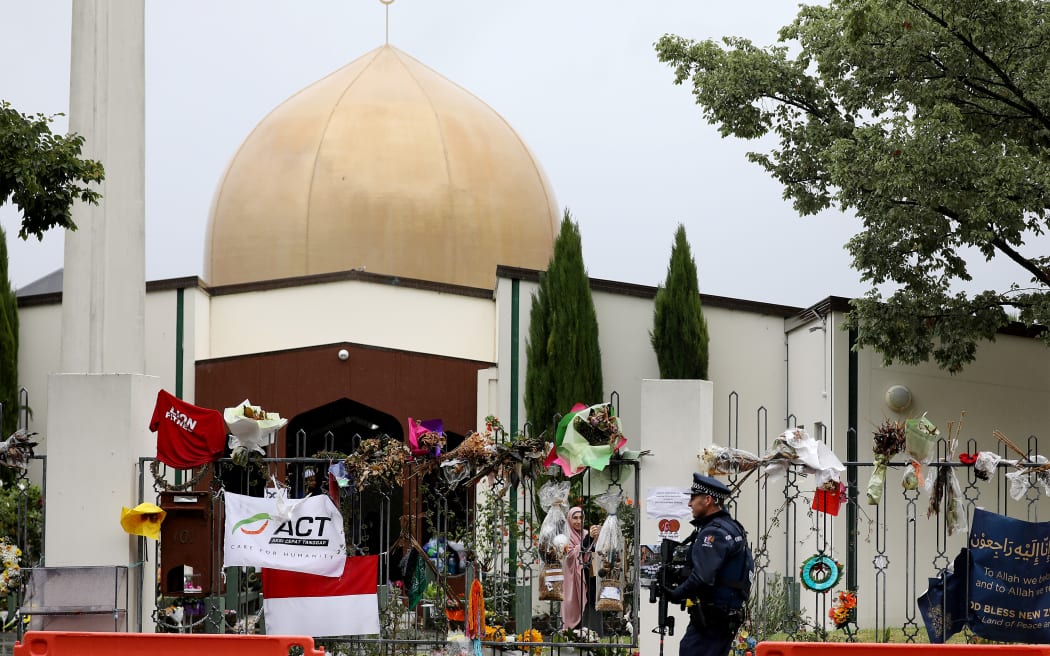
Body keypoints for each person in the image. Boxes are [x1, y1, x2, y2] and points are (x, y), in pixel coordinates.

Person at [665, 473, 754, 656]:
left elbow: (703, 577)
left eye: (693, 498)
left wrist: (676, 594)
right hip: (722, 618)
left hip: (712, 620)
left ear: (708, 500)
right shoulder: (731, 527)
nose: (689, 504)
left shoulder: (713, 533)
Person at [561, 506, 603, 634]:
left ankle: (592, 635)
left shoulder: (586, 533)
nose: (578, 521)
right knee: (573, 606)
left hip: (589, 576)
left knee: (590, 606)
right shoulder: (565, 536)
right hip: (574, 579)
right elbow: (571, 555)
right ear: (569, 519)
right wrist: (589, 539)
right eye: (575, 518)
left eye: (581, 518)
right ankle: (573, 634)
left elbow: (595, 553)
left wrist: (597, 538)